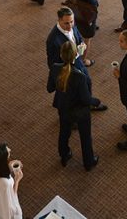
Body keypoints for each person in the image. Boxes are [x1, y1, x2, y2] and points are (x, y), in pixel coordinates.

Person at [47, 41, 99, 170]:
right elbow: (86, 99)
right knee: (85, 137)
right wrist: (96, 102)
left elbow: (50, 88)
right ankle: (89, 162)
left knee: (64, 132)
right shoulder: (79, 76)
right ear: (76, 54)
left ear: (61, 55)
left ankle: (64, 155)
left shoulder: (54, 68)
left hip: (63, 108)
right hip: (80, 112)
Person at [67, 0, 98, 64]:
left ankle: (75, 55)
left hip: (76, 14)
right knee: (86, 40)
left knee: (76, 36)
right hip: (86, 17)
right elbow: (95, 4)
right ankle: (83, 60)